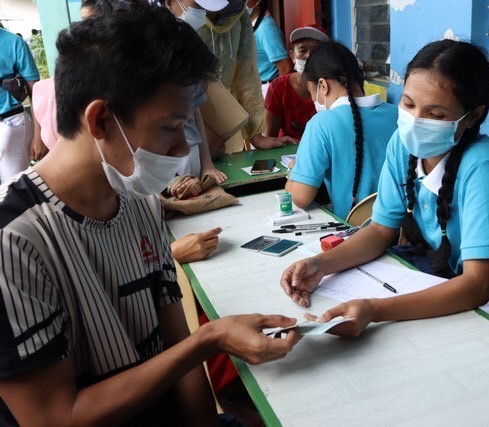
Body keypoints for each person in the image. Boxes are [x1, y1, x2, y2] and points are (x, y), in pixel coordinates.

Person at [0, 7, 300, 426]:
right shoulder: (15, 242)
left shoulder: (139, 203)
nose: (181, 149)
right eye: (169, 127)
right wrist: (209, 339)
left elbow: (175, 346)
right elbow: (54, 417)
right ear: (101, 119)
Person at [280, 40, 489, 338]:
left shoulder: (482, 167)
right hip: (445, 285)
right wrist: (320, 265)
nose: (415, 121)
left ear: (472, 115)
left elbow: (477, 286)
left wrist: (376, 309)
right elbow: (380, 230)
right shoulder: (402, 145)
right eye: (408, 104)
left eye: (435, 115)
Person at [284, 40, 398, 220]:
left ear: (323, 85)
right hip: (401, 230)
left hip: (354, 233)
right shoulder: (397, 114)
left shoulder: (321, 123)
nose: (314, 101)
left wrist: (294, 169)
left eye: (312, 94)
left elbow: (299, 197)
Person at [163, 0, 294, 154]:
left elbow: (246, 76)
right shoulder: (163, 22)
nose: (214, 14)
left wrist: (255, 135)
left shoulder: (239, 16)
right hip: (177, 126)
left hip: (225, 120)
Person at [264, 25, 328, 142]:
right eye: (303, 50)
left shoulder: (334, 85)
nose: (308, 56)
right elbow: (269, 137)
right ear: (293, 56)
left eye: (315, 51)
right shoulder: (279, 87)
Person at [0, 26, 39, 183]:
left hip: (11, 123)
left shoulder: (14, 42)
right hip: (13, 125)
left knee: (14, 191)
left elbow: (35, 90)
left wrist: (38, 135)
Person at [247, 0, 292, 96]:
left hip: (268, 88)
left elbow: (286, 68)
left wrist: (276, 95)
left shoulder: (267, 29)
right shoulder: (254, 25)